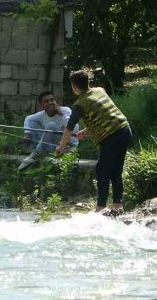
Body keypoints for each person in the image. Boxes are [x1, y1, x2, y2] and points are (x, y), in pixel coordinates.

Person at [55, 70, 131, 215]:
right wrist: (87, 130)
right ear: (88, 82)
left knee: (102, 171)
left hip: (112, 136)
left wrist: (61, 147)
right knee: (116, 170)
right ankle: (117, 205)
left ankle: (101, 209)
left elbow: (69, 128)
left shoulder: (80, 104)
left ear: (74, 87)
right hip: (124, 130)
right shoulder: (99, 90)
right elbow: (104, 114)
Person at [18, 91, 78, 170]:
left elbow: (75, 129)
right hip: (52, 146)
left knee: (51, 125)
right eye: (46, 101)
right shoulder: (42, 114)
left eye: (52, 100)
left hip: (66, 147)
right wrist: (27, 133)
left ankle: (36, 155)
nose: (50, 103)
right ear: (41, 105)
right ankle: (34, 152)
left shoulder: (65, 111)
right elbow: (28, 119)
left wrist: (61, 114)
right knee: (33, 123)